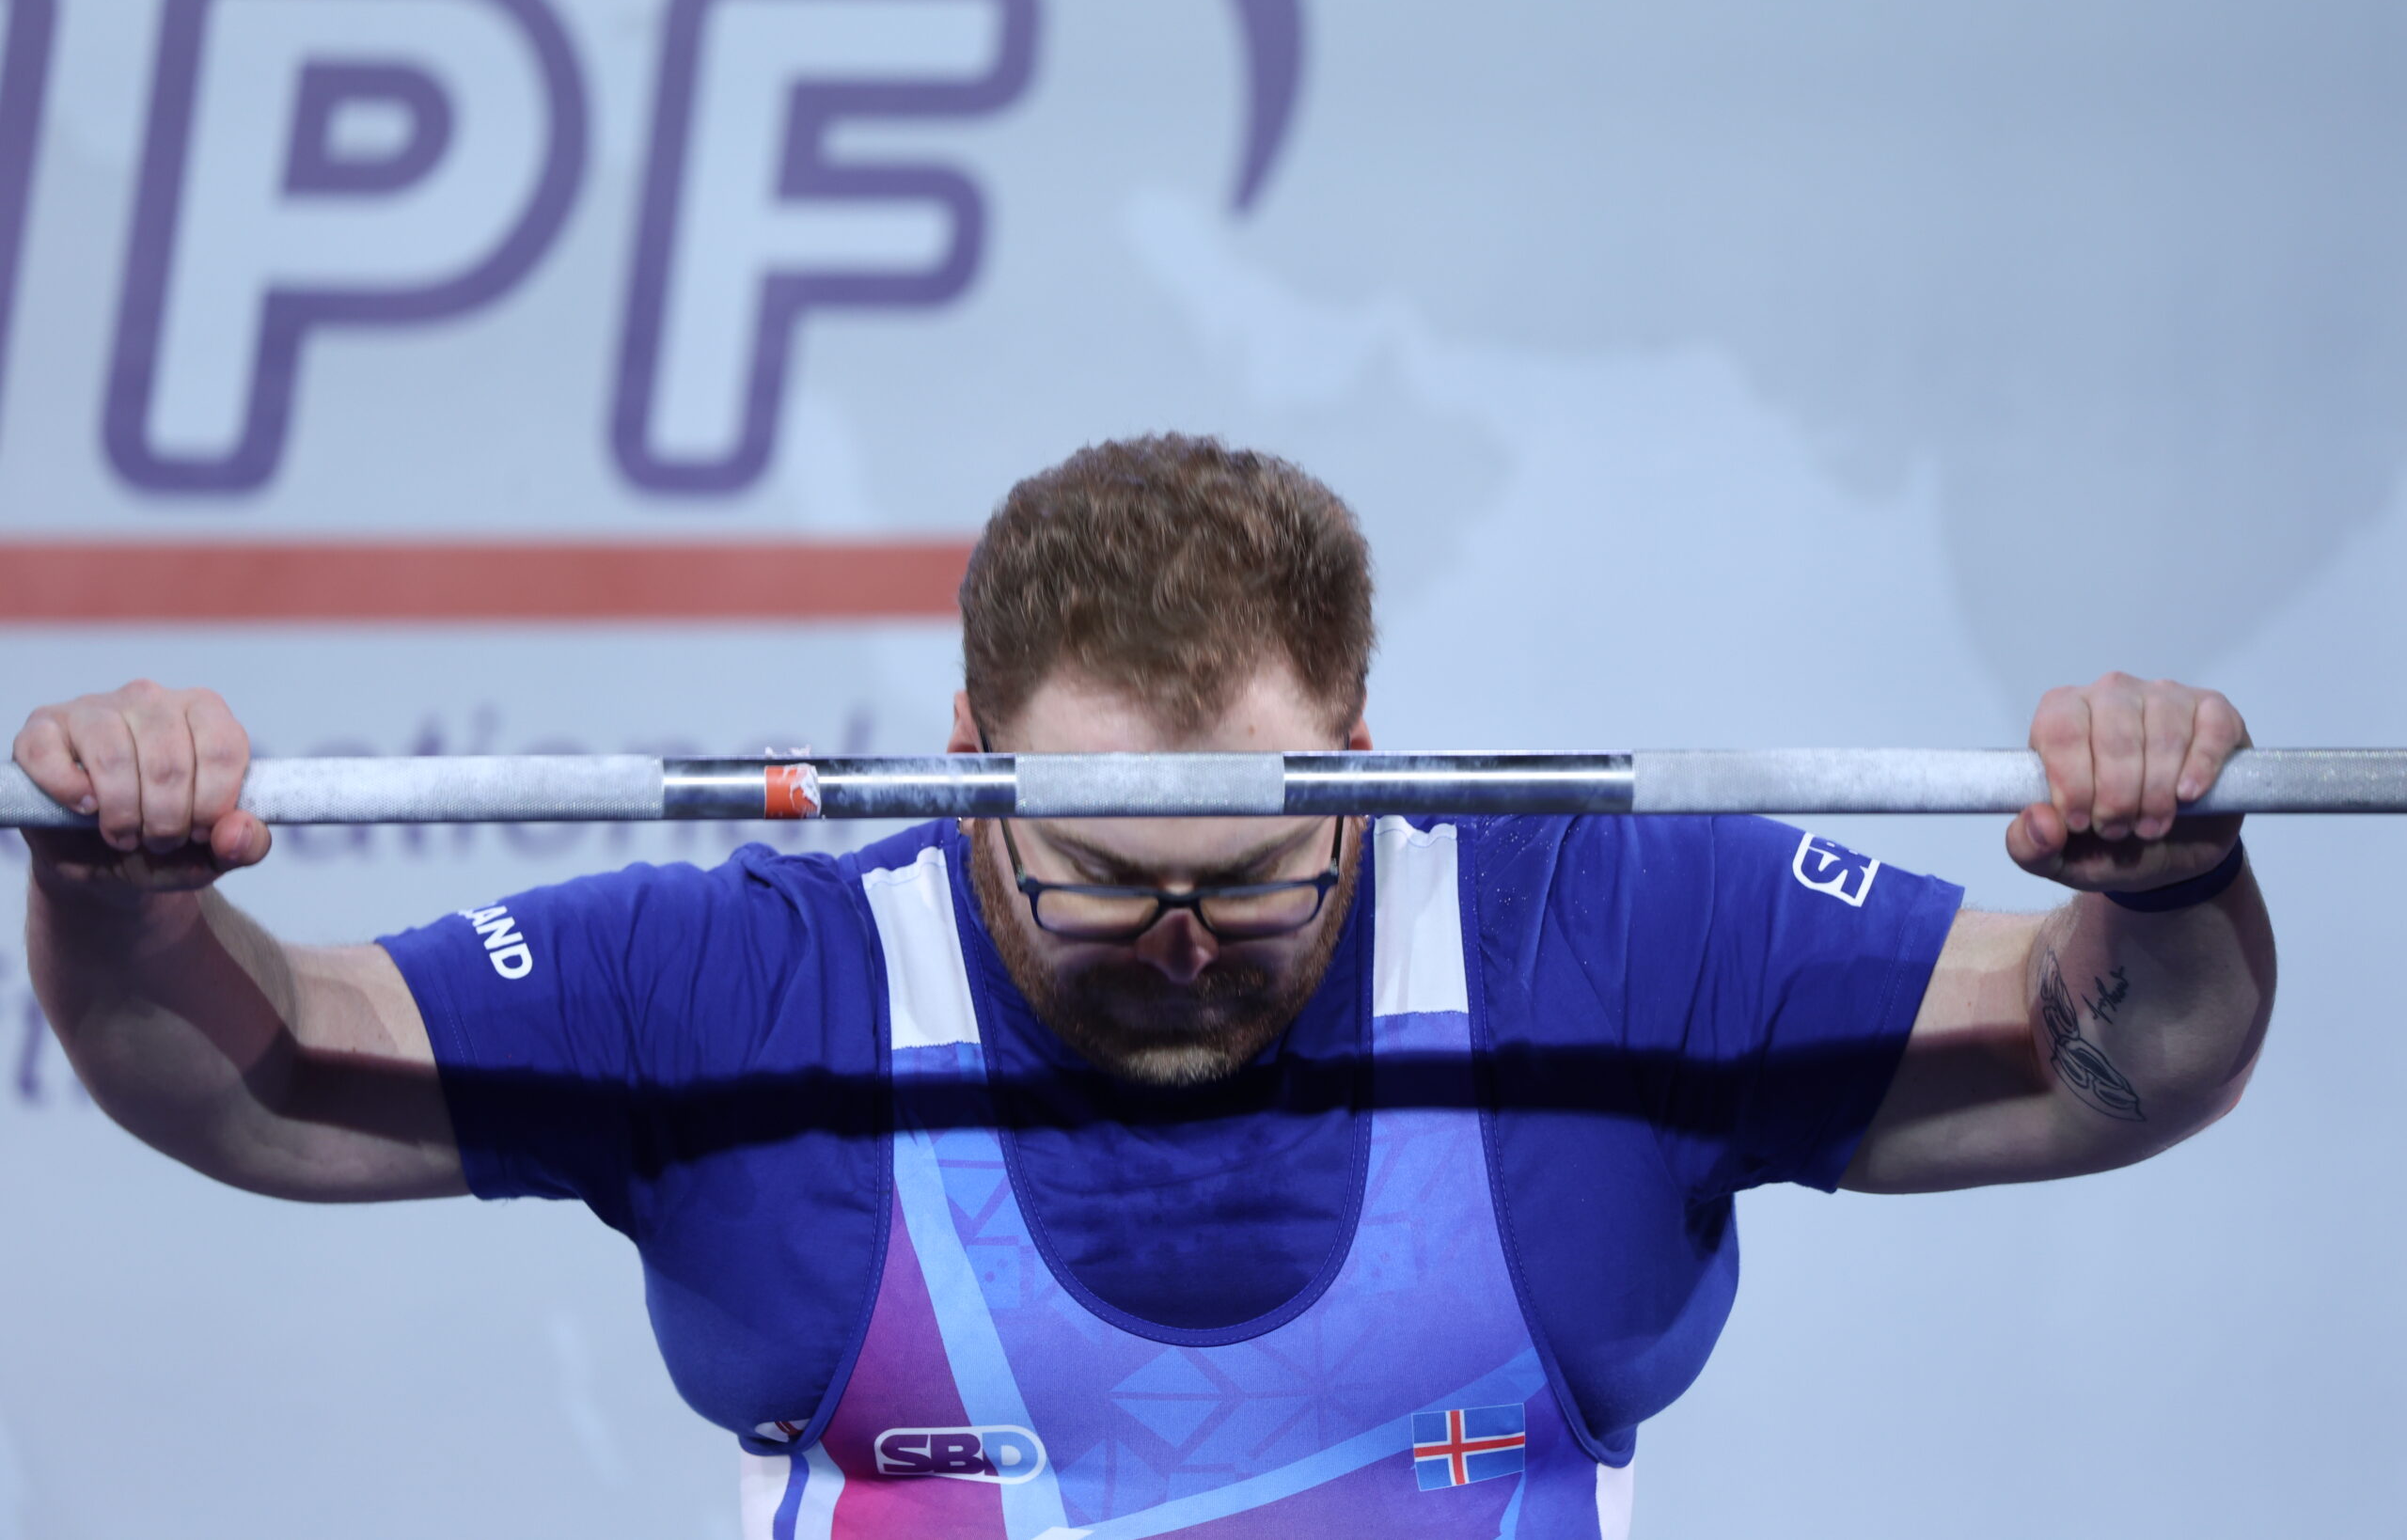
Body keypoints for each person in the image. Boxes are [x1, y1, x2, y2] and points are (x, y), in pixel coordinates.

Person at [13, 435, 2273, 1539]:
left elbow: (2110, 1058)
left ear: (1361, 754)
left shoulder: (1611, 938)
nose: (1186, 940)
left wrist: (2159, 879)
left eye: (1256, 874)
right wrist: (125, 897)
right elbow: (262, 1074)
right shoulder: (746, 981)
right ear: (963, 762)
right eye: (1101, 879)